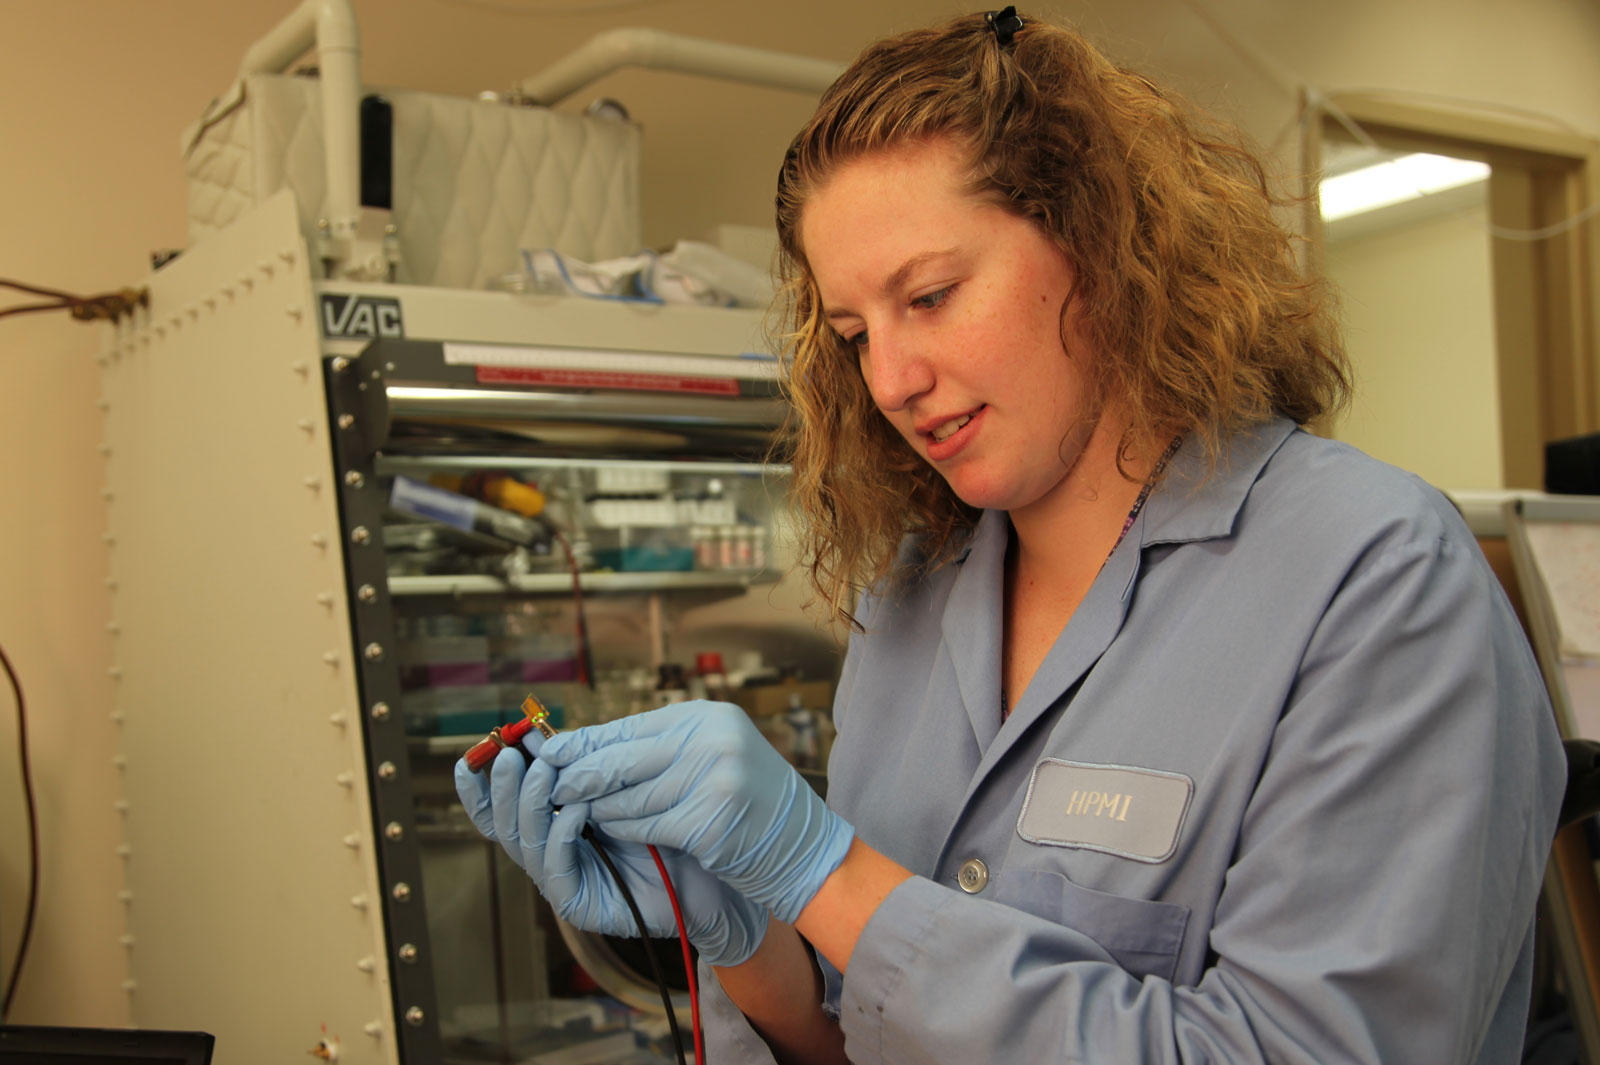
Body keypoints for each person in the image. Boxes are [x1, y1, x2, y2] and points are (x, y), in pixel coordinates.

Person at [456, 8, 1566, 1063]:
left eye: (929, 296)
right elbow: (866, 1039)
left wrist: (826, 877)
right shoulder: (915, 594)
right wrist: (749, 942)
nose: (889, 379)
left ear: (1101, 244)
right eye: (852, 333)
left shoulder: (1374, 580)